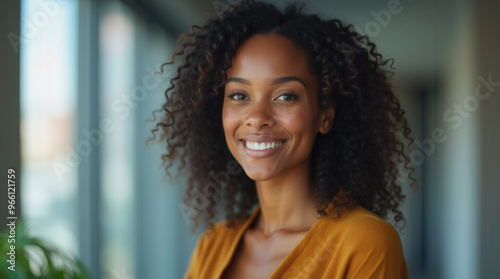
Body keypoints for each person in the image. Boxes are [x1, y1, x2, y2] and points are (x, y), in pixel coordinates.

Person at [150, 1, 417, 278]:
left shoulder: (364, 242)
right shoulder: (213, 244)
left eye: (285, 96)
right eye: (239, 96)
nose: (257, 117)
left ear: (324, 115)